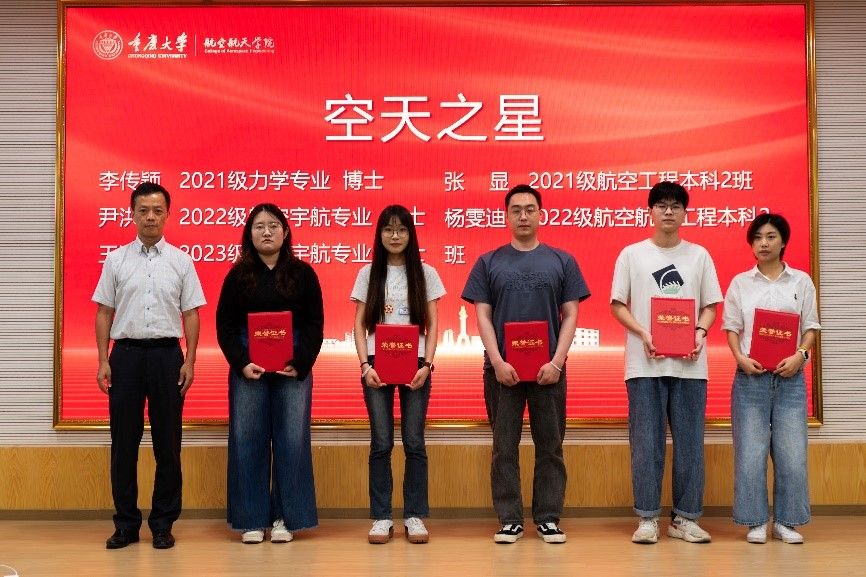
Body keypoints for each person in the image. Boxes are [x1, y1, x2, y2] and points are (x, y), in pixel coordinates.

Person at [461, 184, 590, 544]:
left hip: (549, 371)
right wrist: (497, 361)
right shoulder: (488, 262)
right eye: (516, 210)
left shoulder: (562, 261)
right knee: (504, 447)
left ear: (540, 215)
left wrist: (557, 362)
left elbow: (571, 314)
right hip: (502, 372)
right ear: (506, 216)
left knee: (551, 446)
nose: (523, 216)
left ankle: (548, 517)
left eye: (530, 209)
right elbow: (482, 316)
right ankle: (510, 518)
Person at [93, 182, 206, 550]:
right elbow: (104, 312)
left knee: (167, 444)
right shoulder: (115, 260)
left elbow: (191, 313)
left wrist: (189, 359)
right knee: (123, 444)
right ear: (132, 214)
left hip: (167, 357)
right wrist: (103, 359)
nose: (150, 217)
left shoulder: (181, 261)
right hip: (124, 356)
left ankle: (162, 523)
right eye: (143, 210)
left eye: (157, 210)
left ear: (168, 215)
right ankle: (126, 524)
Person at [610, 181, 722, 544]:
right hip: (644, 365)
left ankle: (684, 519)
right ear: (650, 211)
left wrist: (700, 332)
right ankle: (647, 518)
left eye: (676, 205)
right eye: (661, 205)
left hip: (690, 365)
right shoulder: (632, 255)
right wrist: (643, 332)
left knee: (690, 445)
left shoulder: (699, 255)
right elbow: (618, 304)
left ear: (685, 213)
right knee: (646, 444)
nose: (669, 211)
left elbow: (710, 305)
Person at [216, 203, 324, 544]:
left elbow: (314, 323)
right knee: (248, 439)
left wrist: (301, 362)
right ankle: (251, 519)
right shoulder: (238, 276)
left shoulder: (303, 273)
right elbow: (225, 325)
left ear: (285, 232)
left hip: (293, 367)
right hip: (249, 366)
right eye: (259, 226)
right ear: (249, 233)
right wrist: (240, 362)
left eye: (273, 225)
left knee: (292, 441)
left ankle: (285, 519)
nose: (266, 232)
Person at [722, 213, 819, 544]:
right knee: (750, 453)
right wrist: (740, 358)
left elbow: (810, 327)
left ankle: (787, 522)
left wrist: (800, 355)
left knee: (792, 454)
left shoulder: (801, 282)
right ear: (751, 244)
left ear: (783, 241)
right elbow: (732, 328)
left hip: (790, 378)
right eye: (757, 237)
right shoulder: (741, 283)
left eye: (771, 236)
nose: (763, 243)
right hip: (751, 378)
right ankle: (755, 521)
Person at [351, 205, 445, 544]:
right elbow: (359, 325)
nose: (395, 236)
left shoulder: (426, 273)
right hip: (376, 362)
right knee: (381, 442)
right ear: (379, 234)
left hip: (416, 363)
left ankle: (414, 515)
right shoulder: (367, 273)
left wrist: (427, 365)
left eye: (401, 229)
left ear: (410, 234)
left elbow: (433, 325)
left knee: (414, 441)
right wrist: (365, 366)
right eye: (388, 230)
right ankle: (381, 517)